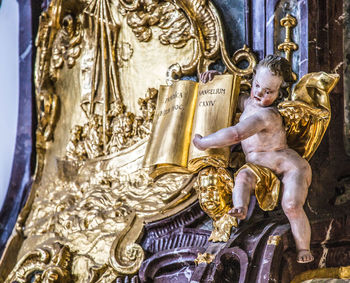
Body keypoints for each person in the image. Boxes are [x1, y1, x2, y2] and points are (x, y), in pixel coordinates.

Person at [193, 55, 314, 264]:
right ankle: (239, 208)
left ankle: (303, 247)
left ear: (279, 93)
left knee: (292, 206)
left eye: (269, 92)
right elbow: (227, 94)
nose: (260, 93)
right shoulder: (247, 102)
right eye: (257, 85)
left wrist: (204, 143)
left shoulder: (267, 115)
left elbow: (236, 134)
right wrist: (215, 79)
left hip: (290, 167)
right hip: (258, 166)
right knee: (242, 178)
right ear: (253, 77)